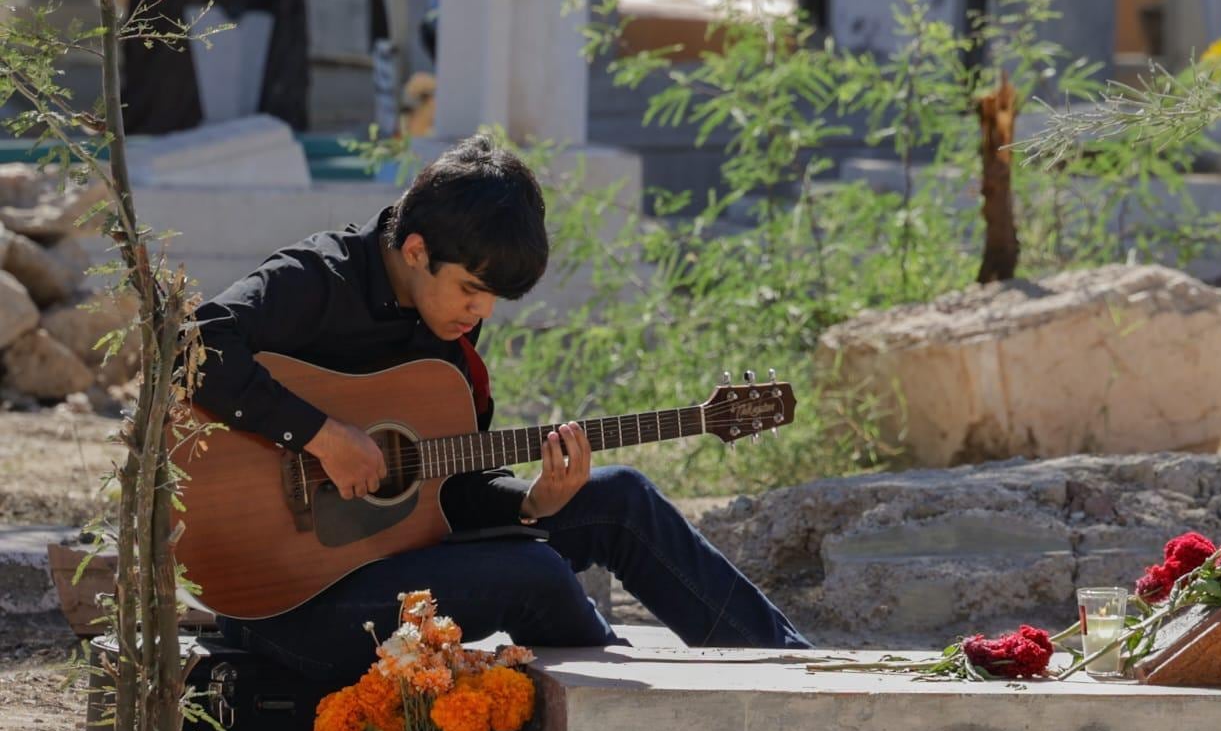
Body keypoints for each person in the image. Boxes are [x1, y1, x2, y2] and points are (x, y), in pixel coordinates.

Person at [194, 134, 809, 685]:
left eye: (495, 298)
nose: (481, 313)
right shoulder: (318, 279)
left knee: (621, 496)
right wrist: (323, 436)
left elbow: (444, 495)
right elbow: (190, 345)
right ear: (414, 250)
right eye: (472, 289)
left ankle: (795, 672)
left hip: (391, 566)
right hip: (284, 604)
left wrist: (531, 502)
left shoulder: (447, 336)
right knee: (530, 572)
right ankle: (616, 718)